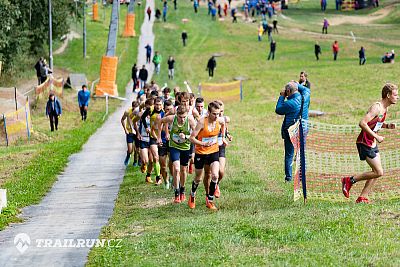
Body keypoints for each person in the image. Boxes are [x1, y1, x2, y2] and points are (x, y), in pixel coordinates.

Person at [342, 83, 398, 203]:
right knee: (378, 172)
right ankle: (349, 180)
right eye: (395, 94)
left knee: (376, 173)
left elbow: (375, 123)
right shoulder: (377, 107)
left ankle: (363, 197)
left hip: (371, 142)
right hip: (364, 142)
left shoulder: (385, 108)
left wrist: (387, 125)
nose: (397, 97)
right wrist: (376, 136)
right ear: (388, 95)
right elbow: (362, 123)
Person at [188, 101, 226, 210]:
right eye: (214, 114)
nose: (216, 116)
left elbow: (224, 123)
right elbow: (192, 138)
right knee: (198, 178)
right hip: (201, 153)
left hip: (213, 151)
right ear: (208, 112)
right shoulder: (201, 122)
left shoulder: (219, 120)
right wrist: (202, 143)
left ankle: (210, 200)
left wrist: (223, 137)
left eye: (218, 114)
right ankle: (192, 195)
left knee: (215, 175)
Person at [157, 105, 197, 203]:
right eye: (180, 117)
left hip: (185, 147)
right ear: (176, 115)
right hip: (174, 147)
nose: (182, 120)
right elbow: (161, 121)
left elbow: (196, 133)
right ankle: (177, 193)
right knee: (177, 169)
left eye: (184, 117)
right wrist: (159, 137)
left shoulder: (190, 120)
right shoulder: (172, 118)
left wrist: (186, 136)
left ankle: (182, 190)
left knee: (183, 170)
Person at [275, 81, 311, 182]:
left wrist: (282, 96)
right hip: (303, 129)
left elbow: (278, 109)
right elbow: (306, 89)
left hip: (291, 131)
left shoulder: (290, 103)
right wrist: (296, 84)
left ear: (288, 91)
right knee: (302, 153)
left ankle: (289, 178)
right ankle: (302, 176)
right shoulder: (305, 96)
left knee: (289, 154)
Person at [121, 101, 141, 166]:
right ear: (132, 107)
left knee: (137, 150)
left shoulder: (140, 112)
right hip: (130, 132)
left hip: (137, 132)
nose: (135, 111)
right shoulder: (127, 112)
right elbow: (122, 120)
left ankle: (136, 161)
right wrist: (125, 129)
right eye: (134, 109)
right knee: (130, 149)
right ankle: (128, 155)